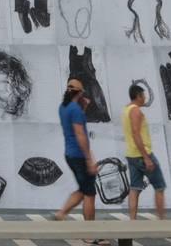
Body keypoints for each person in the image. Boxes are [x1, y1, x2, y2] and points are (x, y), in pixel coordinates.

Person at [55, 78, 109, 244]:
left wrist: (83, 107)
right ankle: (89, 234)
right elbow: (80, 135)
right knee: (90, 194)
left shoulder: (64, 107)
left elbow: (75, 124)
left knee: (83, 189)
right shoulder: (75, 110)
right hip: (79, 156)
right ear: (80, 93)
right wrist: (89, 160)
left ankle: (62, 213)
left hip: (70, 154)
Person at [124, 82, 166, 220]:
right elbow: (136, 134)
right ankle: (163, 223)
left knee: (135, 188)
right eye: (143, 96)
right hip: (143, 155)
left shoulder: (126, 110)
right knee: (159, 187)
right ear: (138, 96)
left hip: (131, 155)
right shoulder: (136, 111)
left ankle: (133, 222)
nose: (145, 99)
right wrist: (146, 157)